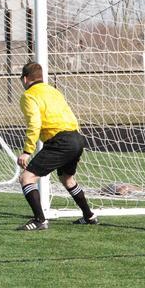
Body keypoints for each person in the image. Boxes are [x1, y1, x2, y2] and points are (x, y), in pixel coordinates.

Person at [16, 61, 97, 230]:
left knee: (26, 178)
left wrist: (27, 151)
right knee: (67, 178)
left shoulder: (29, 95)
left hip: (60, 141)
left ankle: (40, 220)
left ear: (25, 79)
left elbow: (34, 123)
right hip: (76, 137)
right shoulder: (54, 91)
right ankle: (89, 216)